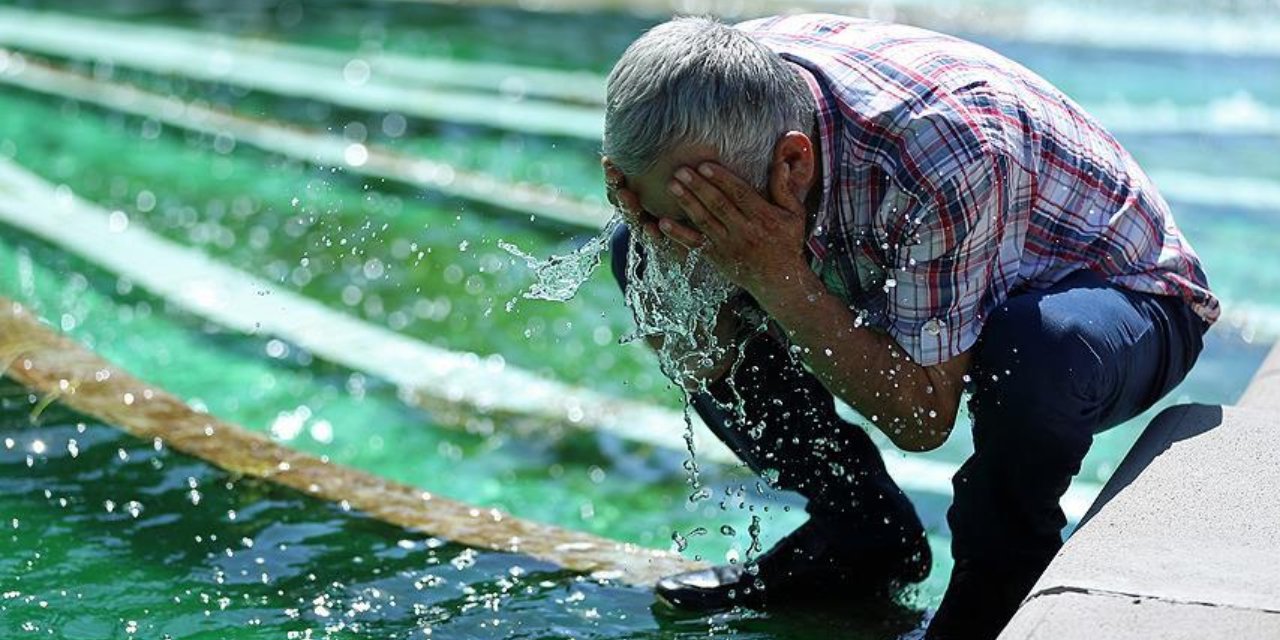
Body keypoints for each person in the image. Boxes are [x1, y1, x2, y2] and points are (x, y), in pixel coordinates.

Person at [599, 14, 1217, 639]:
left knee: (1033, 347)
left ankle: (997, 584)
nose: (680, 236)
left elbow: (922, 417)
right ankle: (861, 534)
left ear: (792, 163)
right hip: (931, 245)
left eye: (702, 218)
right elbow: (707, 360)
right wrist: (666, 253)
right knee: (639, 257)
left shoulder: (944, 152)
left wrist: (777, 277)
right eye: (658, 213)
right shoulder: (695, 90)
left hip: (1127, 301)